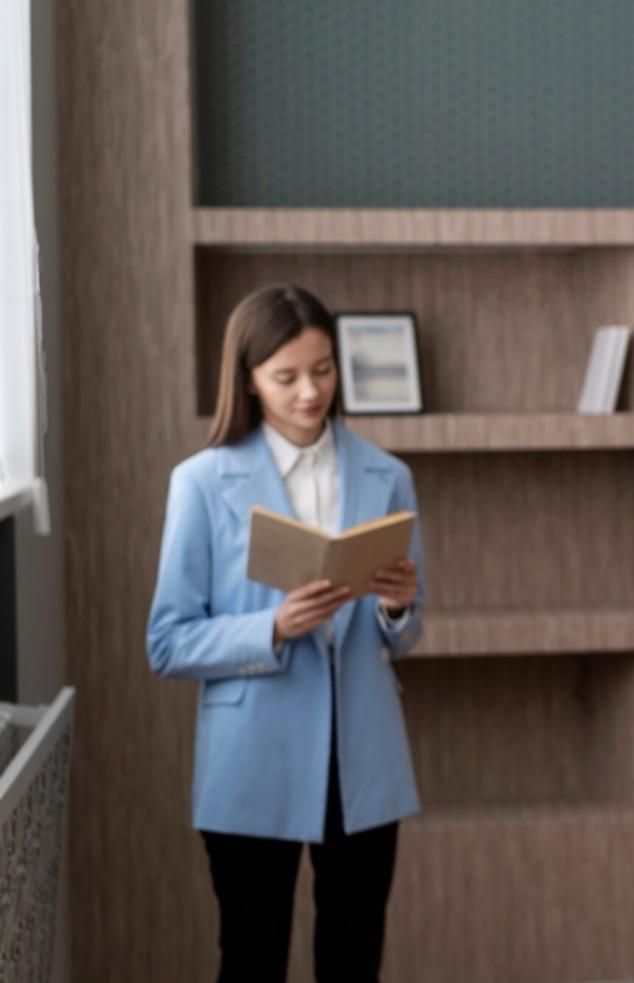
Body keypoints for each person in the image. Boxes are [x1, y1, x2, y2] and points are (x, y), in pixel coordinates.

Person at [146, 284, 425, 982]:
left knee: (354, 958)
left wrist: (397, 607)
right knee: (251, 958)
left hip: (360, 755)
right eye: (287, 376)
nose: (310, 391)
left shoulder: (388, 475)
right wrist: (270, 627)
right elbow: (168, 641)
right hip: (252, 757)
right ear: (248, 378)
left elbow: (404, 637)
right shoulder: (202, 482)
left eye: (324, 370)